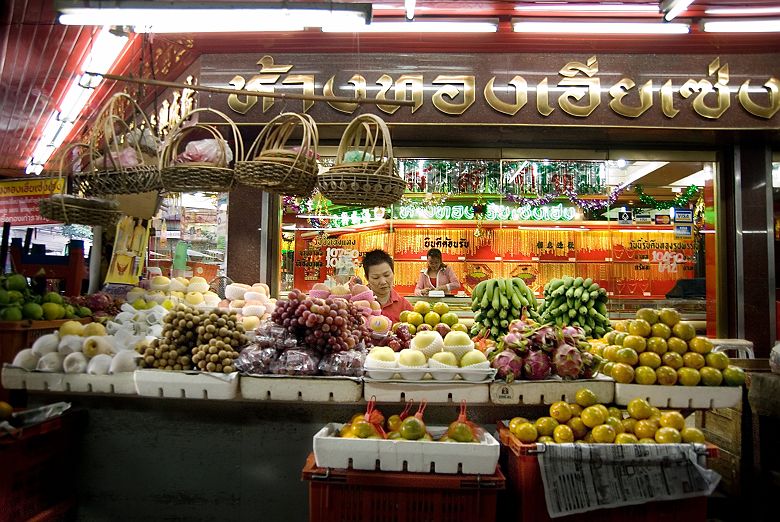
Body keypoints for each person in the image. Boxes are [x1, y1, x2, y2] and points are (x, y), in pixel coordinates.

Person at [362, 249, 412, 323]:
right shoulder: (360, 303)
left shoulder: (404, 306)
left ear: (393, 273)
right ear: (367, 278)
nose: (383, 282)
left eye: (387, 275)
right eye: (376, 277)